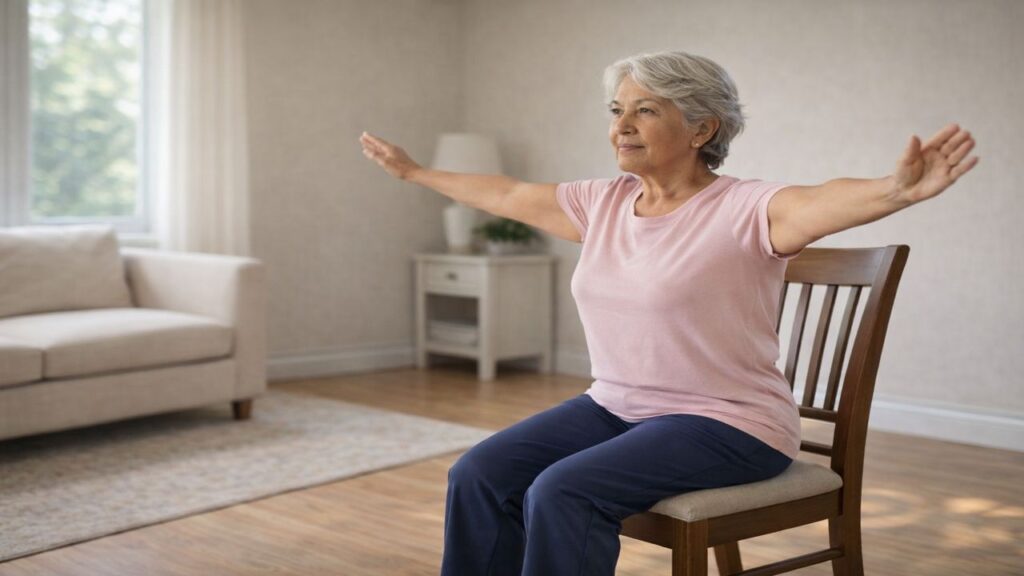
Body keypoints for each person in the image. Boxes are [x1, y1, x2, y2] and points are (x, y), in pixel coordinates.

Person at [359, 50, 977, 576]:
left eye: (645, 110)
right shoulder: (601, 202)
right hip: (615, 407)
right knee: (479, 474)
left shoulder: (746, 209)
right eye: (616, 110)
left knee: (563, 490)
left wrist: (895, 190)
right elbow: (509, 193)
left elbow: (820, 201)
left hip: (729, 423)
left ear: (702, 129)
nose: (621, 126)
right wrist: (414, 172)